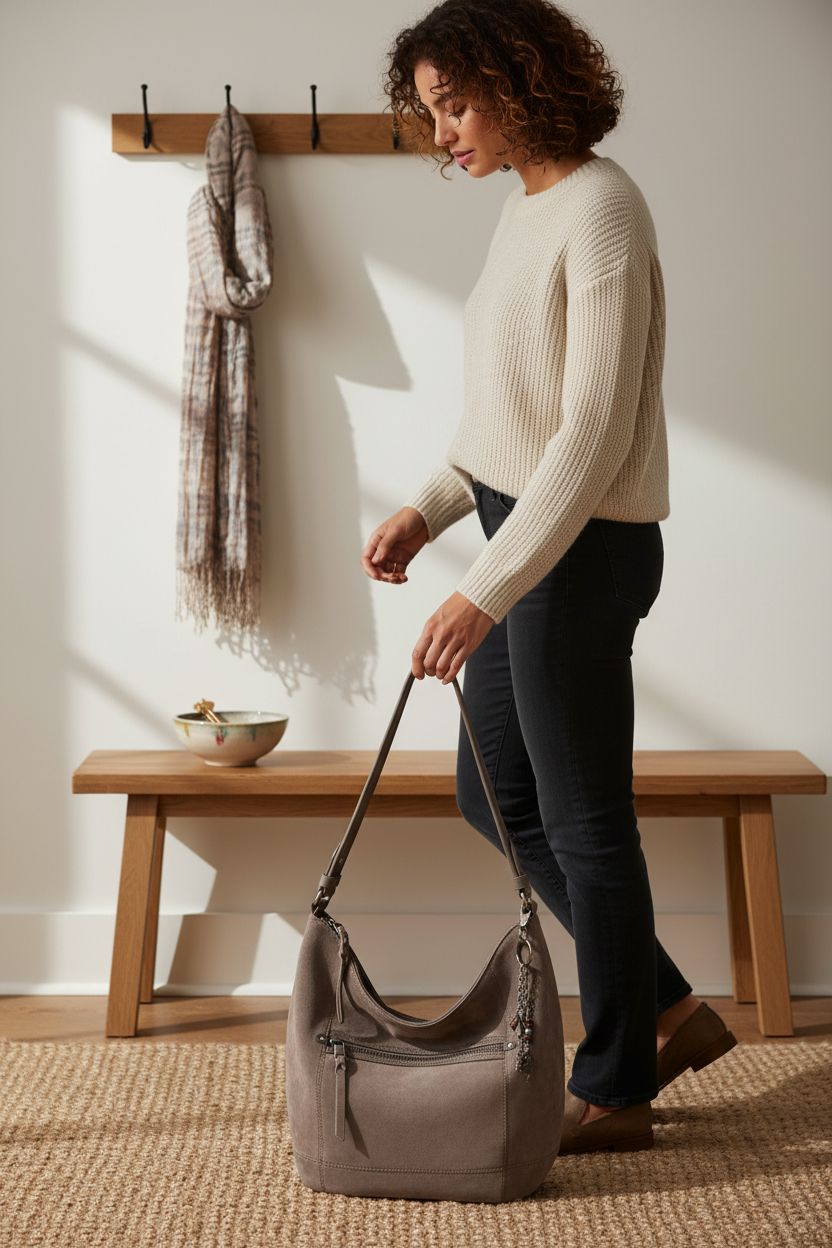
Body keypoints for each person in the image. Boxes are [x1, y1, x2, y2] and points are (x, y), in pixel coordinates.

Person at [361, 0, 736, 1154]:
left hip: (581, 547)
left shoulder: (603, 208)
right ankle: (667, 1007)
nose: (443, 135)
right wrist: (429, 513)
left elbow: (587, 434)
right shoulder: (526, 213)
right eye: (430, 113)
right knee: (497, 796)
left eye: (456, 104)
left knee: (584, 824)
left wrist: (488, 590)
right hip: (527, 533)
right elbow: (504, 424)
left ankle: (617, 1085)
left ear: (520, 82)